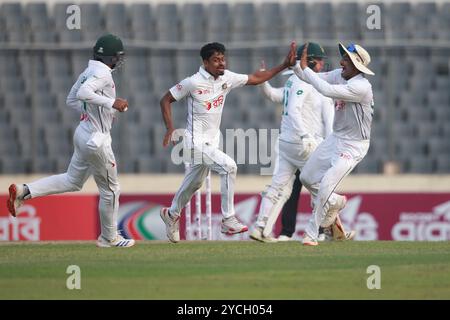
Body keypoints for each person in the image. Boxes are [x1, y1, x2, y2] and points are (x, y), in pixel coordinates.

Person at [159, 42, 297, 243]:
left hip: (210, 143)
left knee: (194, 183)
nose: (221, 63)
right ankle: (228, 218)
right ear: (205, 62)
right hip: (194, 142)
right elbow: (165, 100)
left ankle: (171, 214)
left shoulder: (227, 77)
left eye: (223, 58)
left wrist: (284, 65)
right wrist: (170, 128)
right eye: (216, 60)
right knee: (229, 166)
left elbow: (257, 78)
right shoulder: (193, 82)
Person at [6, 34, 135, 248]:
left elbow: (72, 99)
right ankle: (109, 238)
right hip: (96, 139)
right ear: (110, 57)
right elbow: (83, 94)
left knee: (72, 181)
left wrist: (93, 112)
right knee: (111, 190)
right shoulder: (102, 73)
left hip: (83, 132)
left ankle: (24, 191)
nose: (119, 60)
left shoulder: (89, 70)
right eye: (117, 56)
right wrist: (112, 103)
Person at [250, 43, 334, 243]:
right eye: (320, 60)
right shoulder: (306, 83)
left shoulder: (291, 82)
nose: (322, 64)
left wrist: (263, 81)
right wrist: (307, 136)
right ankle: (325, 230)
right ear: (311, 61)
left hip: (287, 143)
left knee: (279, 187)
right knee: (321, 187)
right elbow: (299, 112)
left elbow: (271, 95)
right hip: (305, 143)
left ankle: (260, 227)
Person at [293, 42, 375, 246]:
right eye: (344, 58)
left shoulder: (361, 87)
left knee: (327, 183)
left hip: (354, 146)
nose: (341, 62)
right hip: (335, 138)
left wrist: (304, 69)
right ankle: (336, 201)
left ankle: (311, 234)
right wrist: (295, 65)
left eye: (346, 59)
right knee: (307, 178)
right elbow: (310, 78)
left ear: (357, 66)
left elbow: (326, 90)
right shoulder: (340, 74)